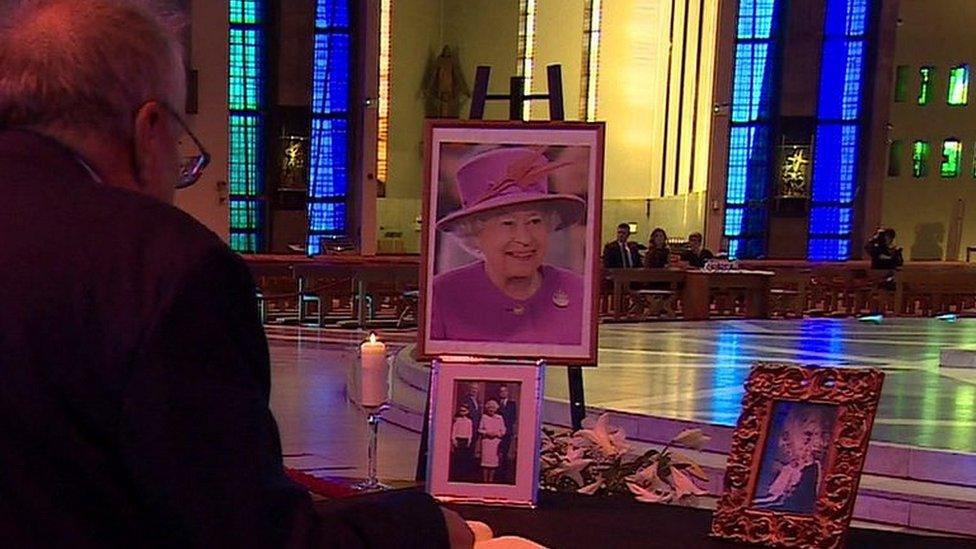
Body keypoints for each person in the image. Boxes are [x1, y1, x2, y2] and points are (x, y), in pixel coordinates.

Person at [0, 2, 471, 547]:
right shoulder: (161, 264)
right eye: (180, 143)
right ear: (149, 128)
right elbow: (249, 538)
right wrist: (427, 528)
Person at [430, 147, 585, 345]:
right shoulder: (442, 295)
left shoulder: (577, 292)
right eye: (508, 223)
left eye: (535, 221)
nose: (525, 238)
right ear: (475, 235)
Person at [753, 408, 831, 514]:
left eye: (824, 435)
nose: (819, 443)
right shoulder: (790, 467)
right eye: (808, 435)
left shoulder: (814, 468)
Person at [477, 400, 506, 484]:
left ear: (496, 409)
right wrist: (487, 433)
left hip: (495, 443)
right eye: (489, 408)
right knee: (485, 463)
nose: (491, 409)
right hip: (486, 442)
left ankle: (491, 481)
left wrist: (497, 434)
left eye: (493, 408)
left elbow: (503, 430)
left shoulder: (500, 418)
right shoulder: (484, 417)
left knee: (493, 463)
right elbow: (479, 429)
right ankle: (485, 481)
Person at [496, 385, 518, 483]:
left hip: (507, 432)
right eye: (501, 391)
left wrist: (506, 429)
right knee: (495, 453)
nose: (503, 393)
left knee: (505, 453)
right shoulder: (495, 404)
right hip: (496, 432)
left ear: (507, 392)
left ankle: (503, 475)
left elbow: (513, 419)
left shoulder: (512, 404)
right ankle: (494, 472)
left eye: (504, 391)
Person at [450, 404, 474, 482]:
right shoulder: (458, 420)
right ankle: (457, 474)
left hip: (465, 440)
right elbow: (454, 430)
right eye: (461, 411)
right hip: (458, 439)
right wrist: (454, 440)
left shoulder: (469, 421)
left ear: (467, 411)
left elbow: (470, 431)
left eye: (464, 411)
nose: (462, 412)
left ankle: (463, 474)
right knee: (458, 457)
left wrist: (469, 440)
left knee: (464, 458)